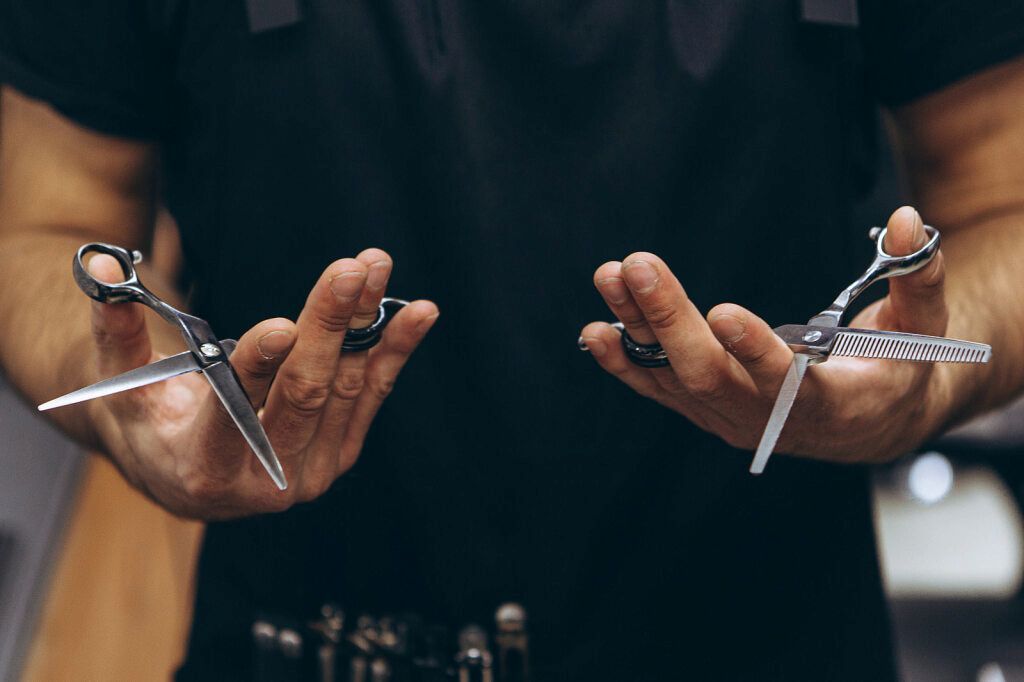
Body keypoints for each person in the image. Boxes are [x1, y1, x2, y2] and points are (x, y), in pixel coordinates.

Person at [1, 1, 1022, 679]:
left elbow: (1003, 197)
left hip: (771, 635)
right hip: (312, 638)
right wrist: (129, 389)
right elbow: (39, 226)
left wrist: (918, 379)